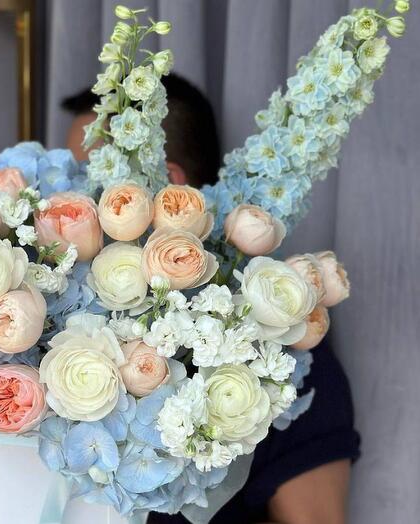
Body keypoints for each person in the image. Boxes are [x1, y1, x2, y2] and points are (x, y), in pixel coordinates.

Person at [62, 73, 360, 524]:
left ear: (161, 186)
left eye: (82, 176)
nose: (63, 201)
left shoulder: (287, 362)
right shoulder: (63, 338)